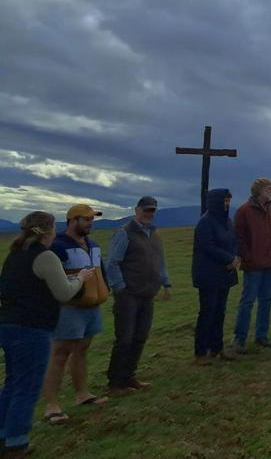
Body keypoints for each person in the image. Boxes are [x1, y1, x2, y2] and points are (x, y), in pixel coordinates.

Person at [0, 212, 91, 458]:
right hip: (33, 329)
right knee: (27, 387)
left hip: (8, 325)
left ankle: (3, 434)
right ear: (48, 231)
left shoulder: (15, 254)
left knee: (13, 382)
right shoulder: (46, 256)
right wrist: (80, 279)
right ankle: (16, 443)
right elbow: (64, 293)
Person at [42, 204, 109, 424]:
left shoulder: (93, 245)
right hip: (68, 308)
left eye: (92, 219)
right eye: (86, 219)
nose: (90, 223)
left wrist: (105, 290)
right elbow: (50, 279)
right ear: (72, 221)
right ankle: (51, 405)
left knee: (82, 350)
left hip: (92, 307)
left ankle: (82, 394)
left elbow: (102, 271)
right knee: (60, 354)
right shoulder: (57, 246)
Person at [105, 196, 171, 394]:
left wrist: (165, 283)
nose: (149, 214)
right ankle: (115, 382)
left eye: (152, 210)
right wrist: (121, 287)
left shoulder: (154, 234)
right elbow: (112, 262)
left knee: (140, 336)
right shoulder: (124, 233)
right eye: (146, 210)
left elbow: (160, 262)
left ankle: (129, 376)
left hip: (147, 293)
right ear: (136, 210)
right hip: (128, 295)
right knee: (124, 338)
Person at [232, 178, 271, 353]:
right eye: (267, 188)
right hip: (254, 264)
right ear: (257, 191)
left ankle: (261, 336)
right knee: (247, 301)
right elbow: (238, 238)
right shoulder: (244, 211)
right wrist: (247, 257)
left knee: (266, 300)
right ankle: (239, 339)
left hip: (270, 264)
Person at [192, 189, 239, 364]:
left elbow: (234, 241)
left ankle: (217, 348)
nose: (227, 204)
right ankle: (201, 352)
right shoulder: (205, 223)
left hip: (224, 273)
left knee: (220, 312)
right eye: (224, 201)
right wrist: (228, 258)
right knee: (207, 313)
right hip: (208, 274)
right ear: (215, 202)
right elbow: (207, 246)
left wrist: (234, 257)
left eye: (228, 200)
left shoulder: (227, 221)